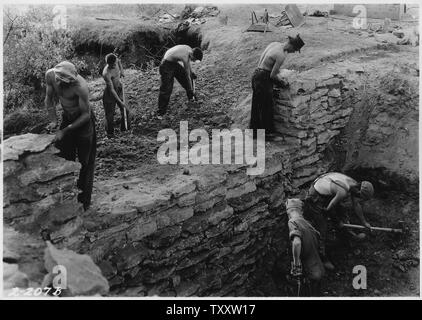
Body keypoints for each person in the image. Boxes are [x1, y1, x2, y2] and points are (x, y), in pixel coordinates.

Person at [45, 61, 96, 211]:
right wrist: (54, 121)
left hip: (83, 122)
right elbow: (49, 99)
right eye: (61, 81)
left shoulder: (80, 87)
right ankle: (66, 194)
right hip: (67, 117)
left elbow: (86, 115)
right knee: (64, 157)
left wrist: (65, 130)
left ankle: (84, 202)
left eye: (68, 82)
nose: (63, 84)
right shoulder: (50, 75)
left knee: (86, 162)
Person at [304, 172, 374, 270]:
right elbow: (328, 209)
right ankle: (322, 257)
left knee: (343, 215)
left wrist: (364, 222)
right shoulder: (343, 191)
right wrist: (337, 221)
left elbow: (356, 205)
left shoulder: (354, 185)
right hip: (315, 197)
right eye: (361, 197)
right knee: (322, 227)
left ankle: (349, 240)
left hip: (328, 194)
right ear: (359, 192)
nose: (359, 198)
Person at [250, 34, 305, 140]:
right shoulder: (281, 55)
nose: (293, 52)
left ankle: (254, 133)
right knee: (266, 106)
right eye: (295, 50)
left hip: (256, 74)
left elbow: (267, 64)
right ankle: (266, 135)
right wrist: (282, 83)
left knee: (256, 105)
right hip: (263, 78)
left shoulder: (274, 44)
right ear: (292, 46)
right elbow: (272, 75)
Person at [286, 198, 325, 296]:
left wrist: (296, 263)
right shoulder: (308, 224)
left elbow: (297, 243)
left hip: (310, 272)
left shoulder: (292, 222)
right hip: (318, 269)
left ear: (288, 211)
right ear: (301, 211)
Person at [157, 44, 203, 116]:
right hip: (165, 65)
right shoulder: (185, 56)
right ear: (192, 54)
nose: (193, 61)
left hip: (173, 63)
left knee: (184, 77)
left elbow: (188, 68)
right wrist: (191, 88)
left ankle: (191, 99)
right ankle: (161, 112)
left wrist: (191, 73)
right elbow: (188, 75)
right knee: (167, 88)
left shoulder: (189, 49)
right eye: (193, 59)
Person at [102, 53, 130, 138]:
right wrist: (119, 102)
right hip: (110, 94)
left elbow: (119, 62)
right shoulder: (106, 73)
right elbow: (111, 90)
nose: (114, 65)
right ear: (108, 63)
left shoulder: (116, 59)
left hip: (119, 88)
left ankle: (124, 129)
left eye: (115, 63)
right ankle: (110, 134)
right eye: (112, 65)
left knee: (126, 110)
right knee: (110, 115)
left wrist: (121, 71)